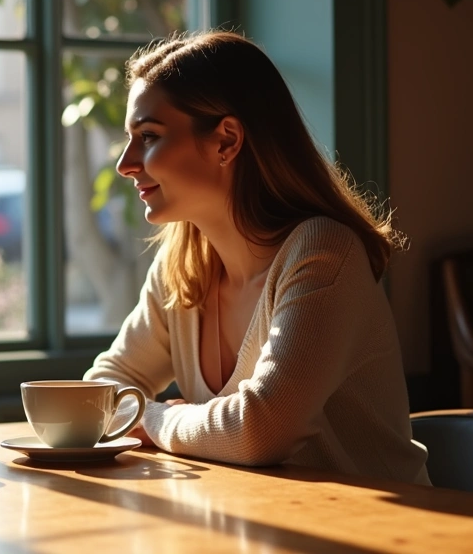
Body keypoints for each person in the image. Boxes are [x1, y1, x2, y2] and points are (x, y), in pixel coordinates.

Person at [85, 31, 430, 485]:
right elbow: (100, 388)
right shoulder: (183, 266)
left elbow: (260, 430)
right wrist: (156, 416)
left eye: (148, 136)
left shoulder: (323, 253)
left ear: (226, 140)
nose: (126, 164)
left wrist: (155, 420)